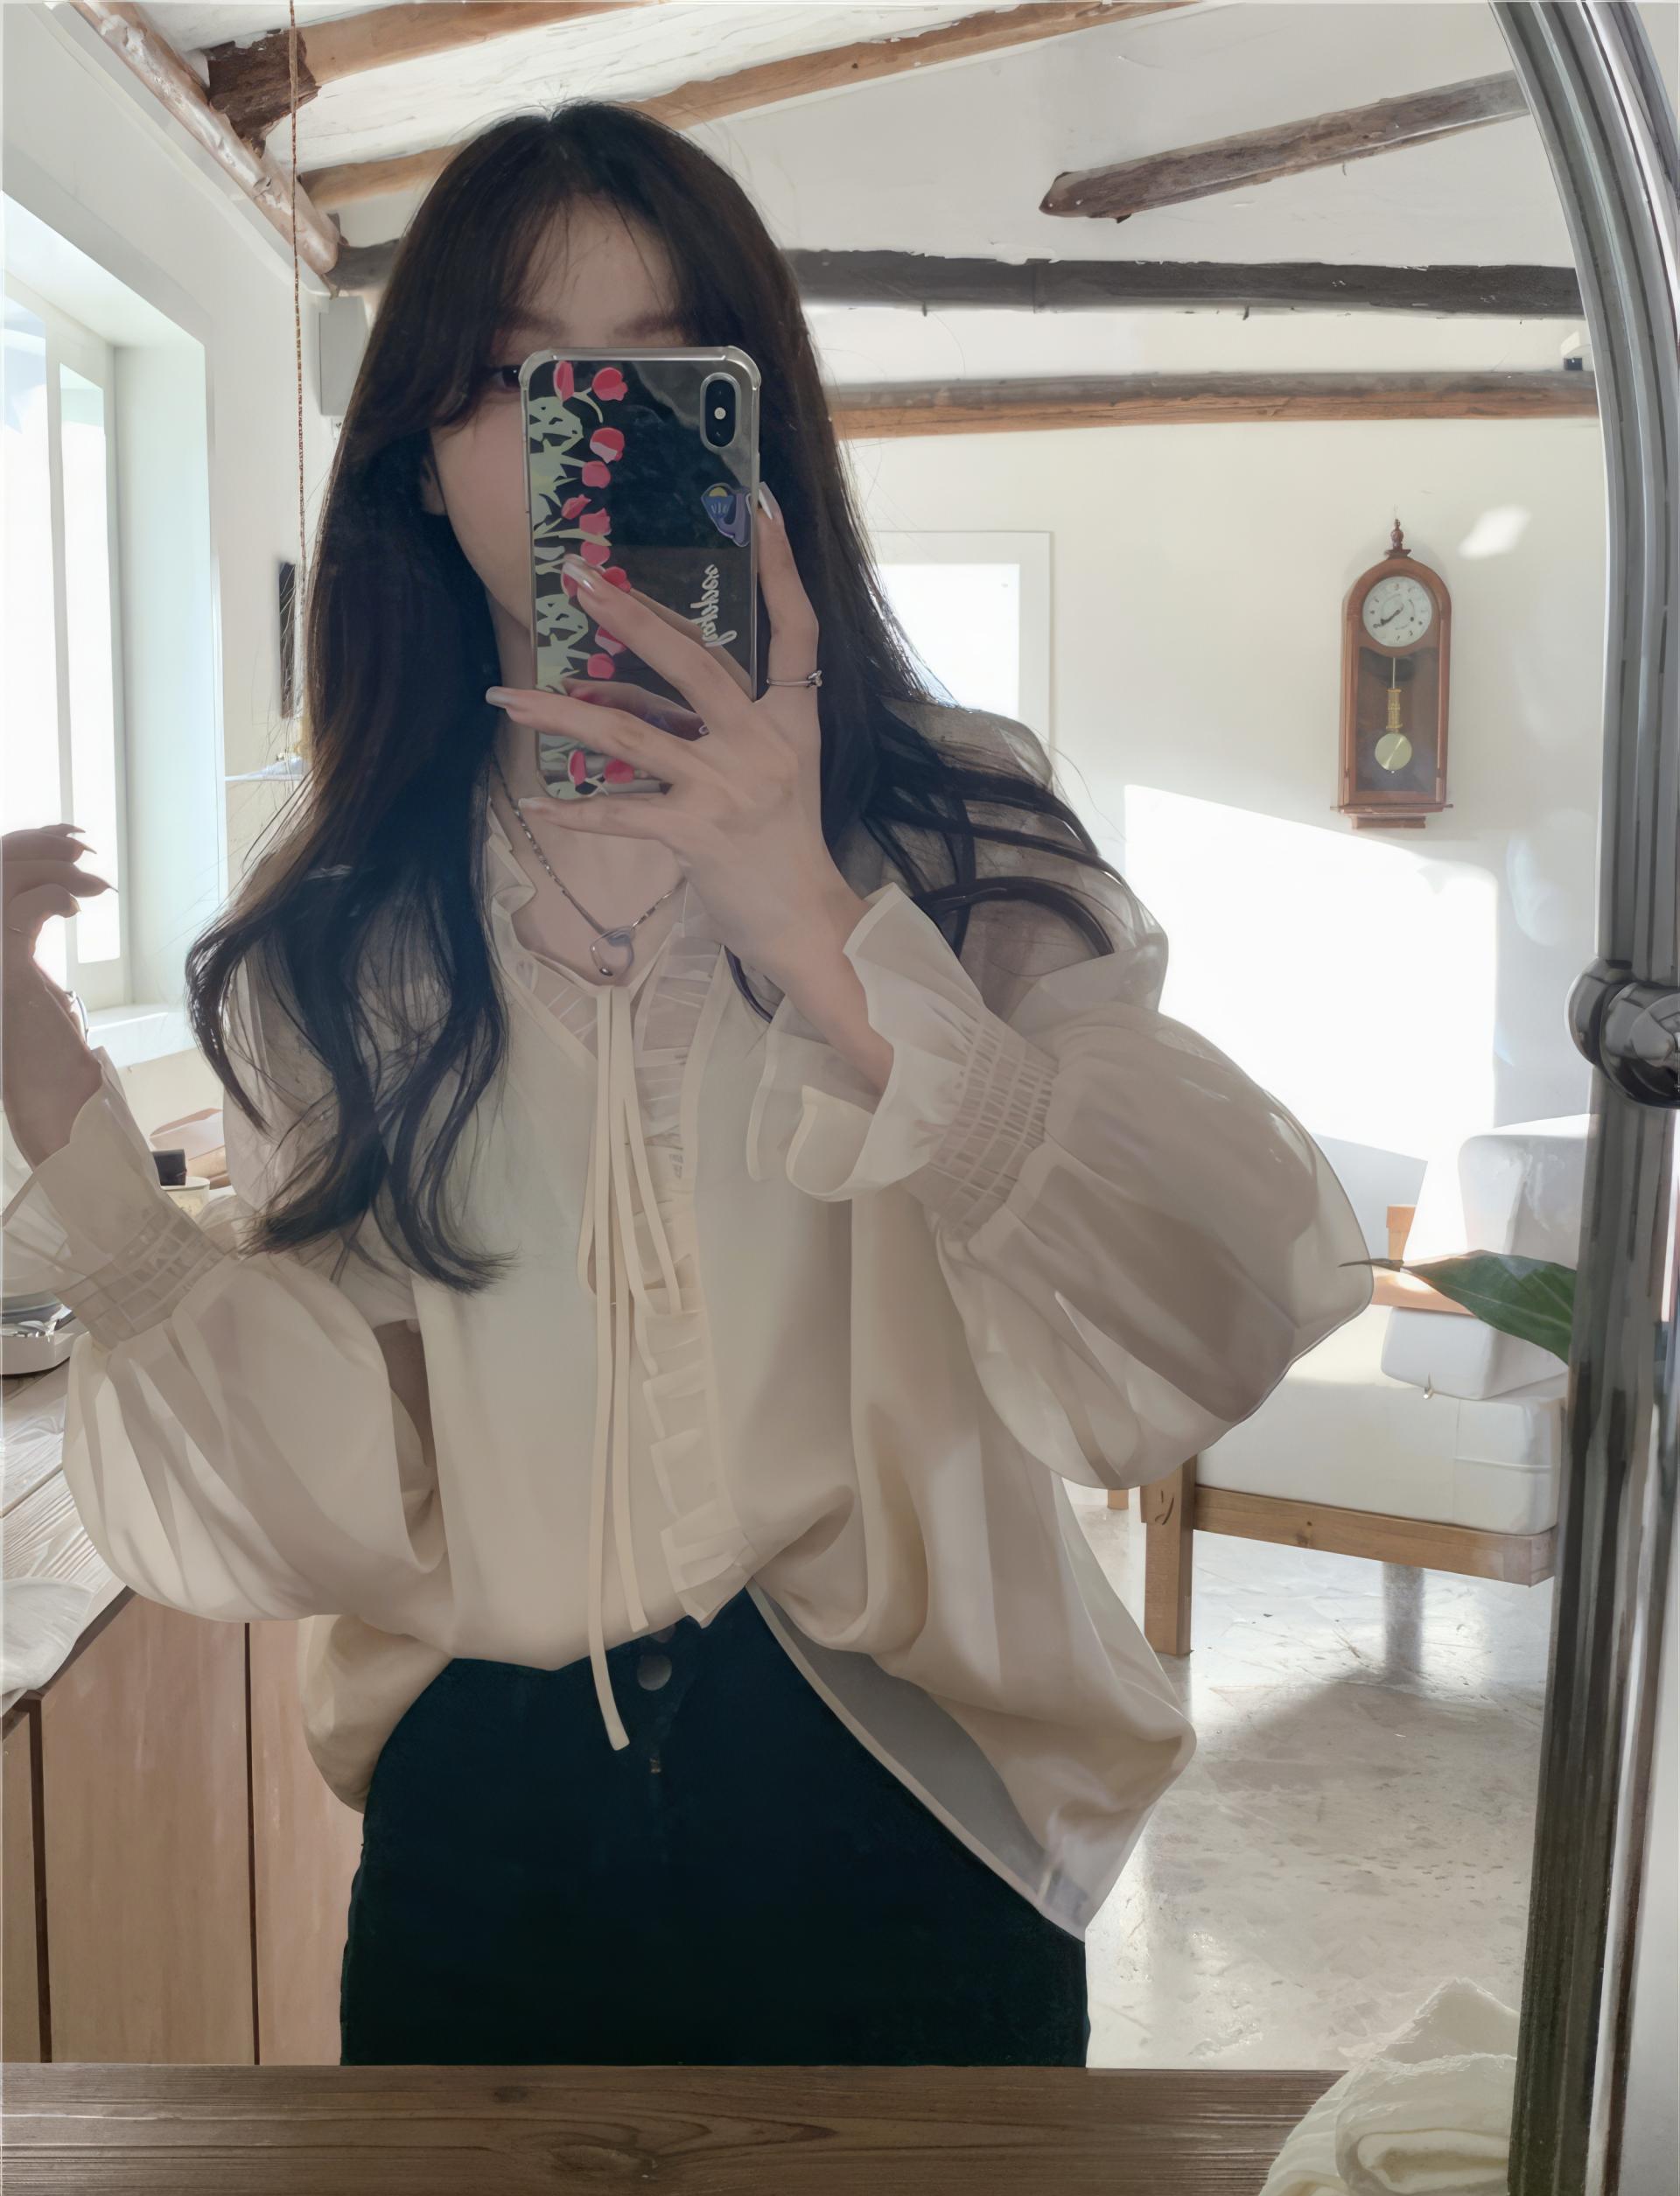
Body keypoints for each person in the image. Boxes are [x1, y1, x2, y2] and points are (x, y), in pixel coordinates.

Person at [0, 101, 1374, 2068]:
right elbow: (348, 1490)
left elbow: (1195, 1316)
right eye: (518, 380)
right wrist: (38, 1066)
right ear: (419, 457)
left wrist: (809, 916)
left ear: (752, 425)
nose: (588, 434)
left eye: (659, 377)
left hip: (912, 1801)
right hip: (481, 1831)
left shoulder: (957, 826)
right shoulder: (346, 934)